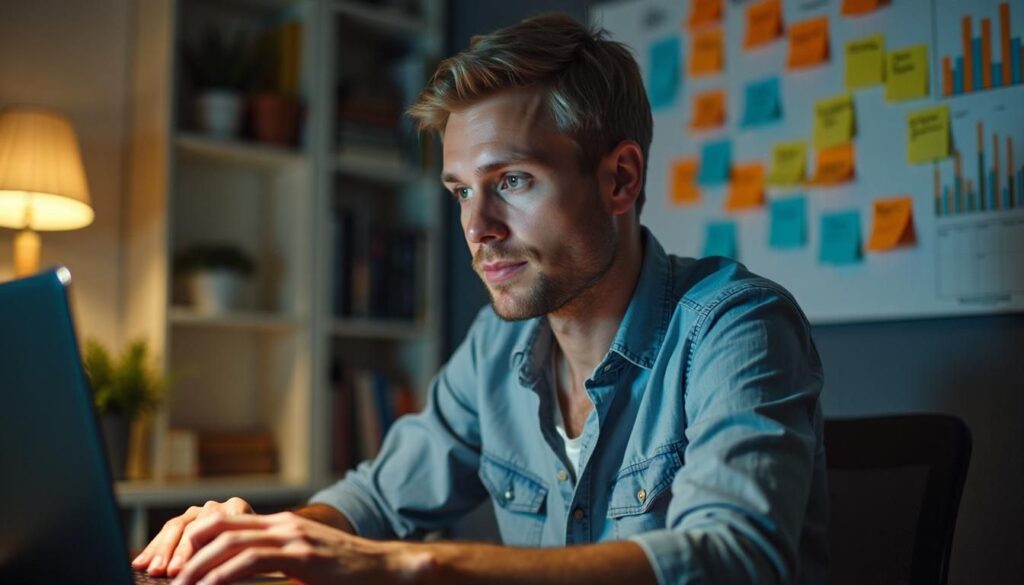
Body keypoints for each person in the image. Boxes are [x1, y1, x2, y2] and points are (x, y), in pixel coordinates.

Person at [134, 13, 828, 585]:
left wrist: (413, 563)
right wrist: (261, 537)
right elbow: (377, 497)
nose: (477, 228)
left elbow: (735, 558)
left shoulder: (737, 326)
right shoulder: (497, 346)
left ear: (620, 179)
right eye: (462, 189)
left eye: (514, 180)